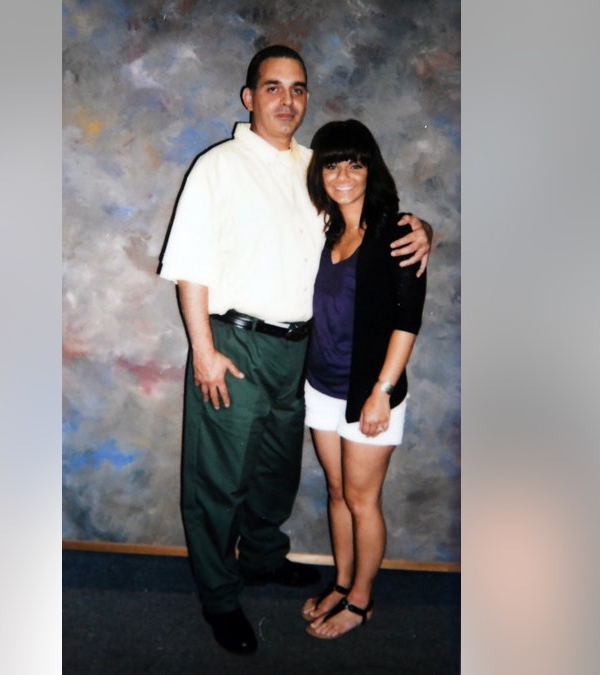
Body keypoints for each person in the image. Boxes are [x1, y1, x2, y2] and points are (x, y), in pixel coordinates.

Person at [158, 46, 433, 655]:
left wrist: (422, 230)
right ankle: (220, 596)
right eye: (273, 87)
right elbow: (191, 269)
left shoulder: (317, 169)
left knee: (276, 472)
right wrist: (203, 350)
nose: (287, 100)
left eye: (298, 88)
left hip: (301, 352)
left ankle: (261, 556)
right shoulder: (218, 167)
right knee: (219, 480)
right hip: (234, 342)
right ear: (249, 97)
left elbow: (374, 219)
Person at [298, 119, 427, 639]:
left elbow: (407, 319)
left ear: (371, 168)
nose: (344, 174)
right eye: (333, 164)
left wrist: (381, 392)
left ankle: (361, 602)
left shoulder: (396, 232)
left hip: (370, 394)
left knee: (361, 499)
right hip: (322, 385)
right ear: (320, 173)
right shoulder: (327, 230)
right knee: (336, 491)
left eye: (355, 162)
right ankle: (343, 581)